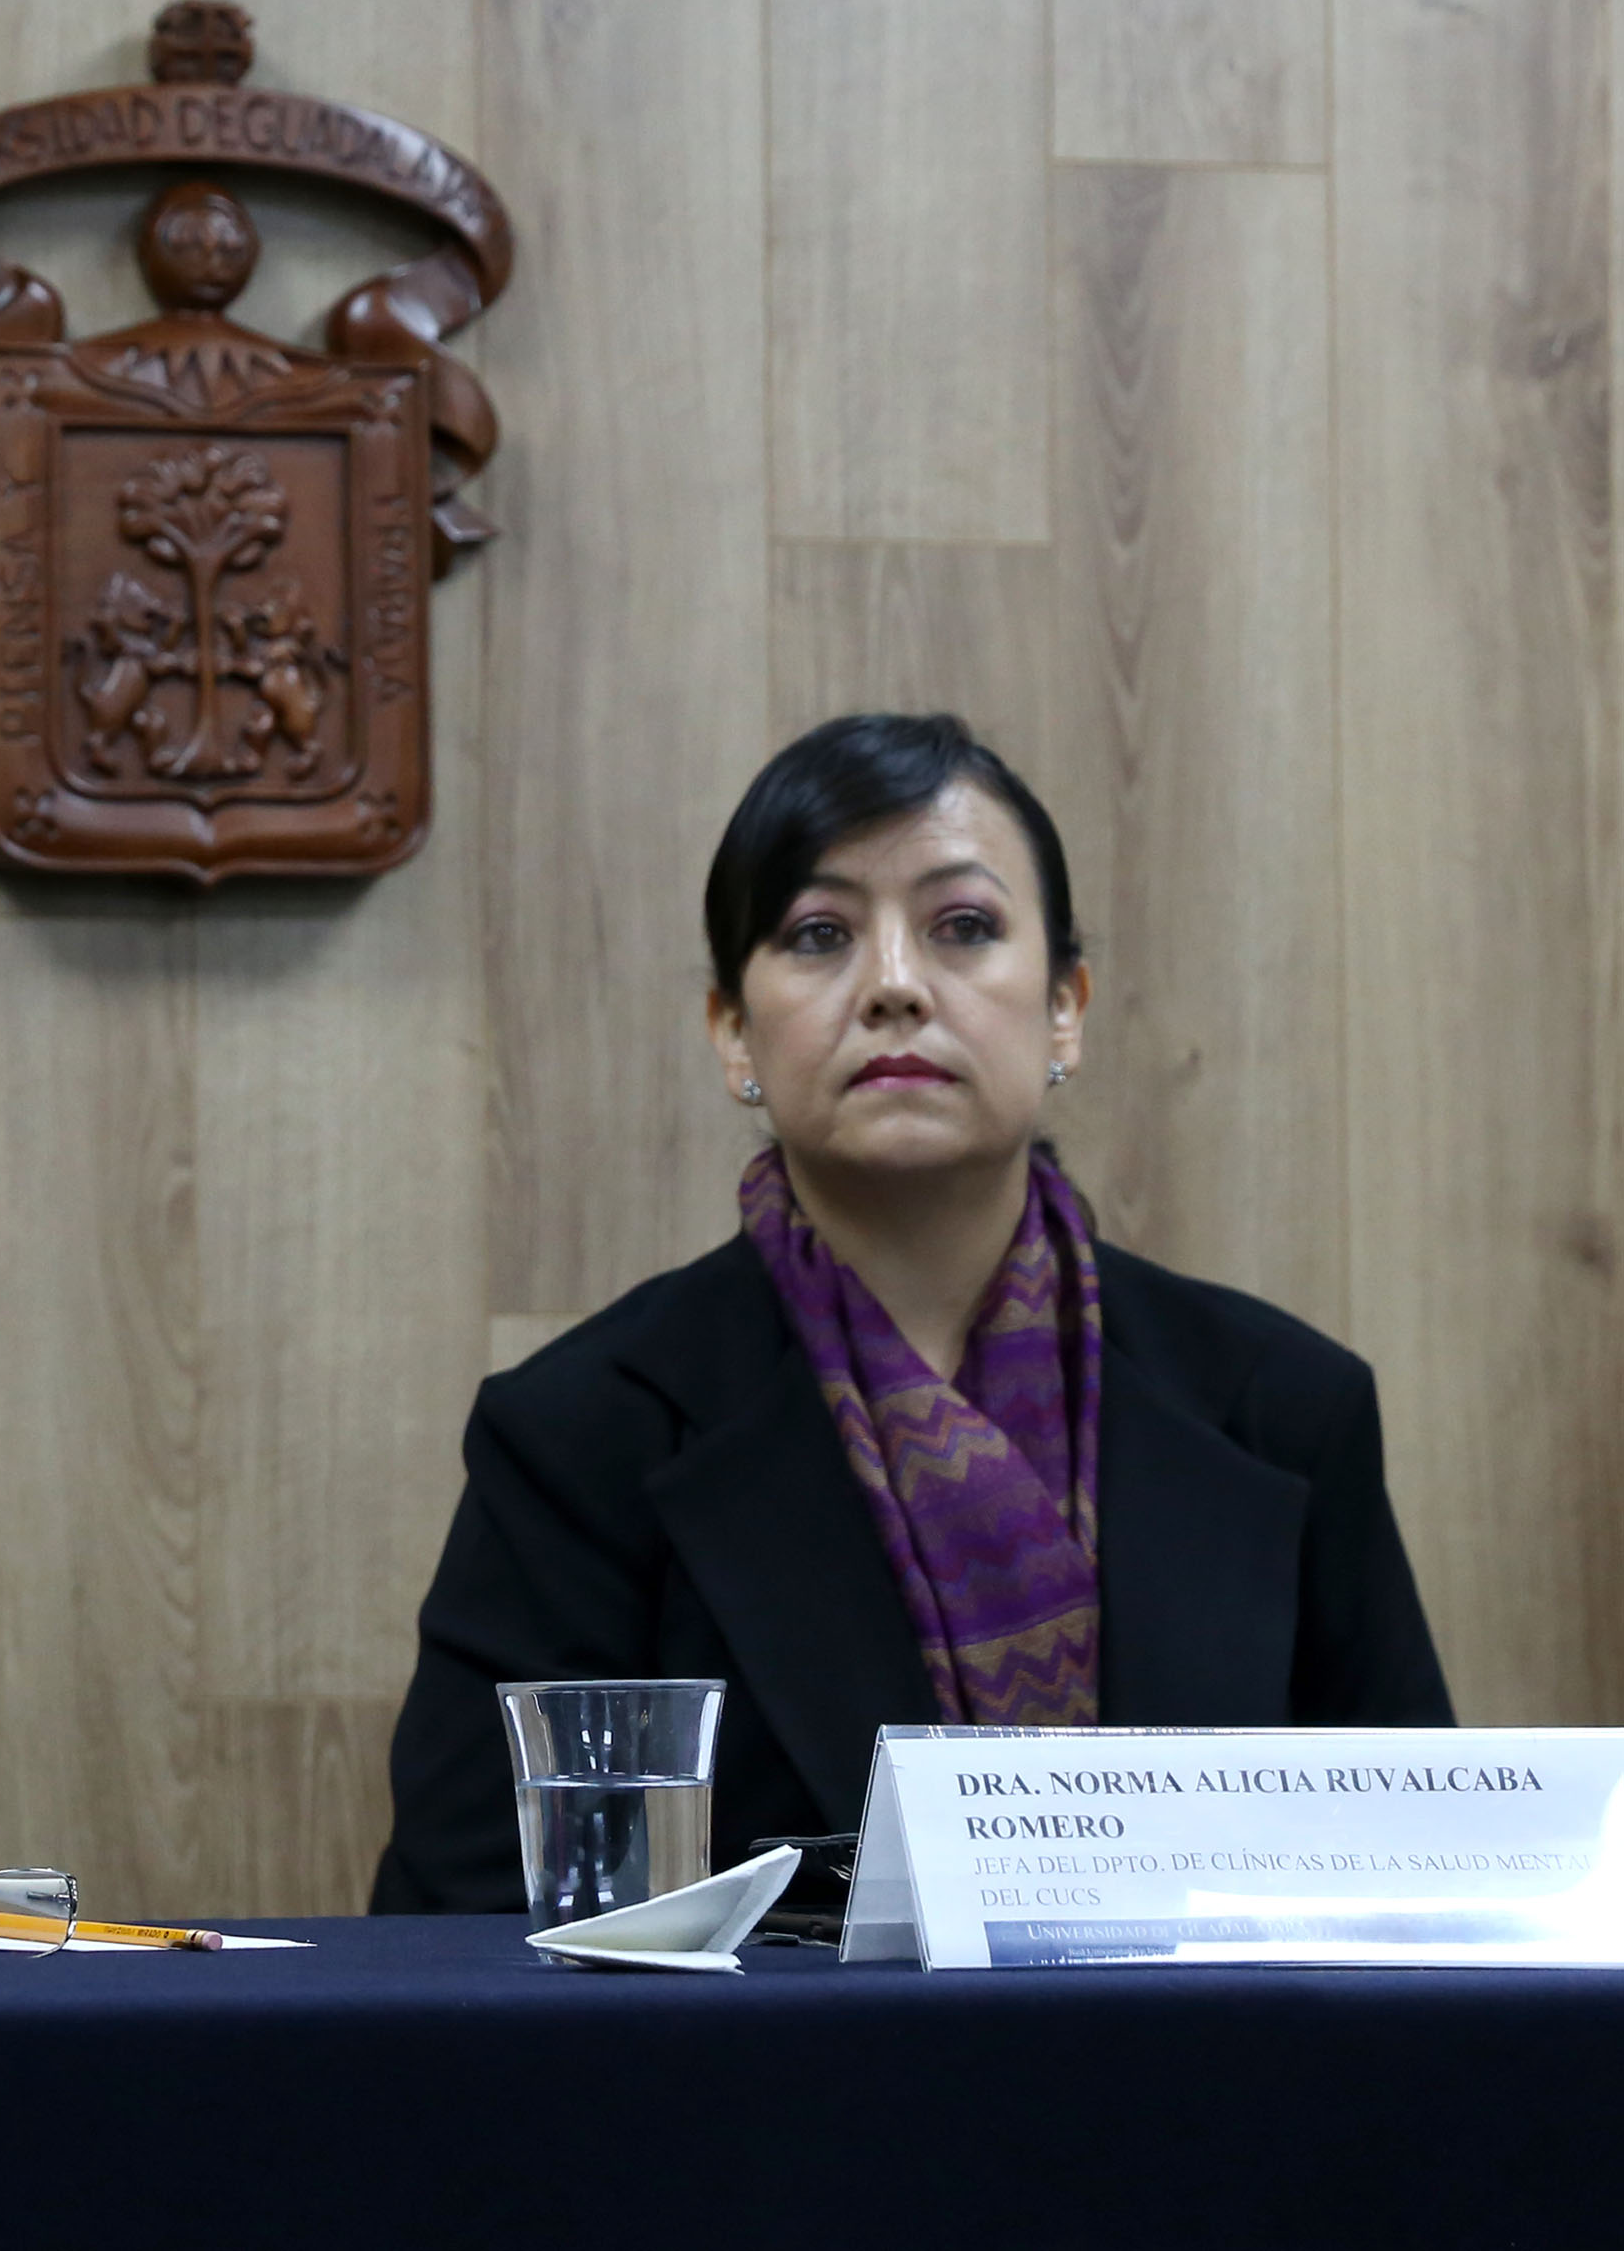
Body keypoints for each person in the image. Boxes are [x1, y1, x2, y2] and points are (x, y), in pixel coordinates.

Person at [373, 713, 1450, 1914]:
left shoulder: (1282, 1411)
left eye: (965, 928)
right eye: (821, 935)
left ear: (1063, 1011)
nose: (893, 986)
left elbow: (1425, 1894)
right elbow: (463, 1931)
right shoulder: (581, 1438)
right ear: (734, 1031)